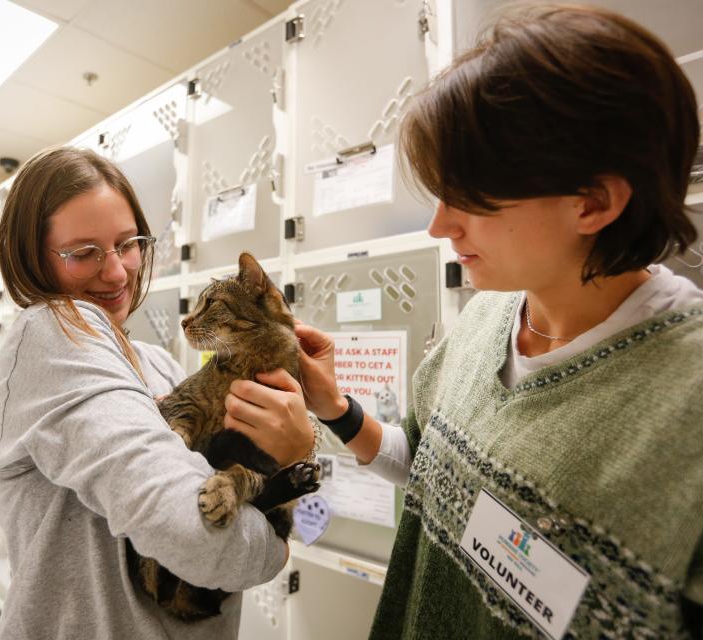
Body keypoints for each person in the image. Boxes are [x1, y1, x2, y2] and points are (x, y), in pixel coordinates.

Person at [224, 4, 703, 638]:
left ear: (593, 201)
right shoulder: (488, 316)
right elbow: (427, 465)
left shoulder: (687, 400)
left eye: (471, 198)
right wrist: (334, 406)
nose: (439, 226)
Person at [0, 147, 313, 640]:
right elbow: (201, 541)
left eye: (127, 243)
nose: (117, 272)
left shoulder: (159, 365)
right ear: (33, 259)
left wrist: (296, 450)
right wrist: (277, 548)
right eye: (83, 252)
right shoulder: (49, 333)